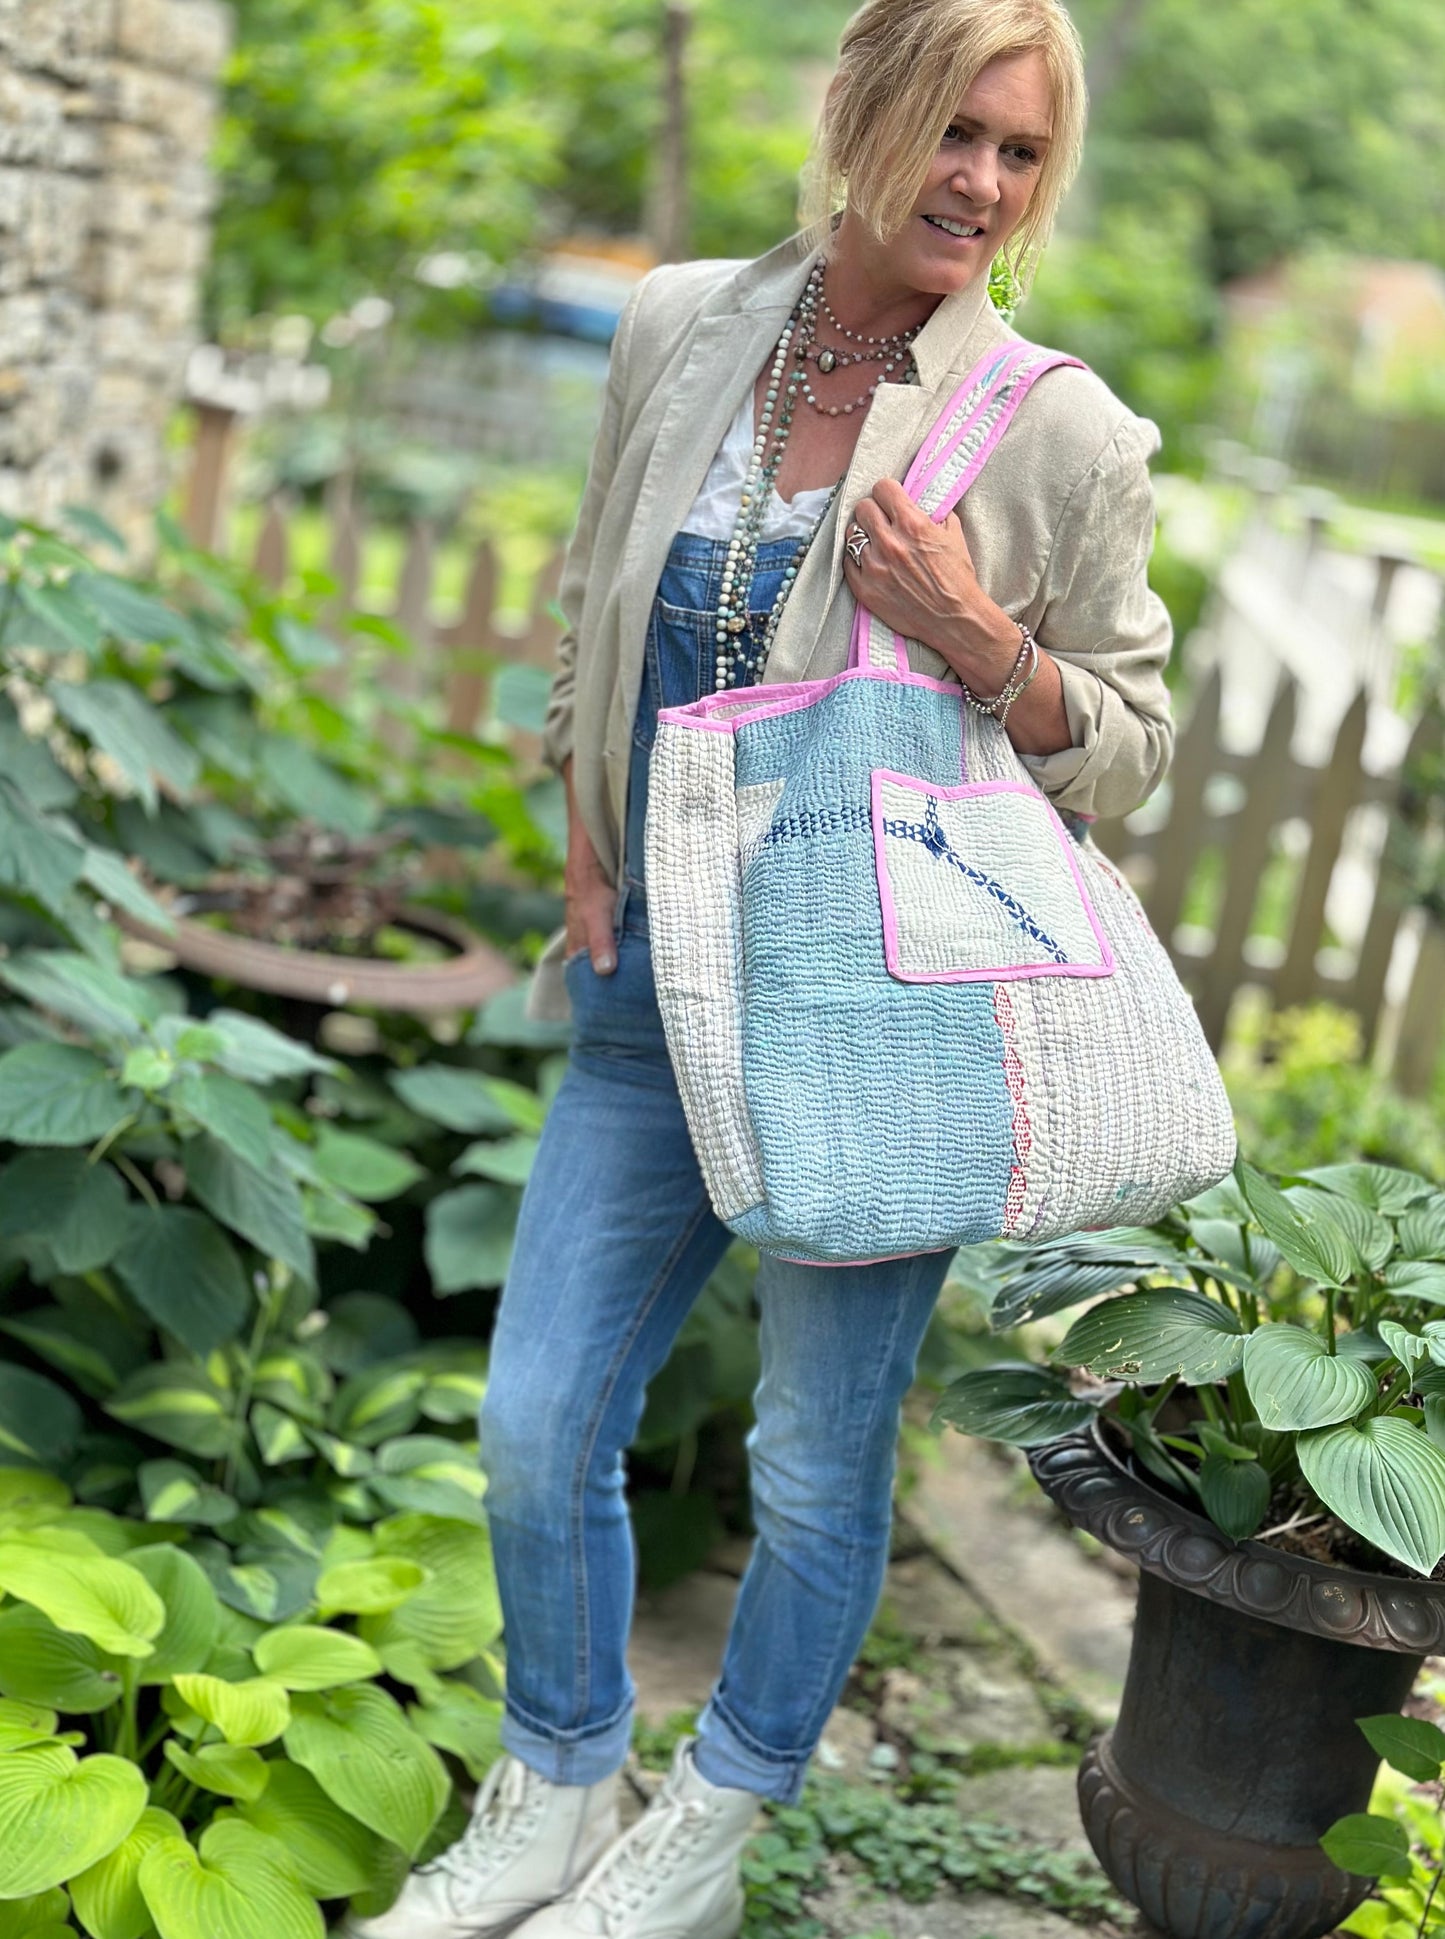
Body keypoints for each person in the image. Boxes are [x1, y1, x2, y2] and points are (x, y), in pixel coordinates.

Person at [354, 1, 1174, 1936]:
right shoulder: (677, 327)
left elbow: (1125, 744)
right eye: (948, 132)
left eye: (1020, 150)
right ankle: (559, 1783)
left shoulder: (1053, 424)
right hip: (647, 994)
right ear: (855, 115)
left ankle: (706, 1838)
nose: (977, 181)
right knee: (537, 1420)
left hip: (874, 1020)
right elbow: (597, 594)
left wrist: (978, 634)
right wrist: (581, 820)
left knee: (812, 1463)